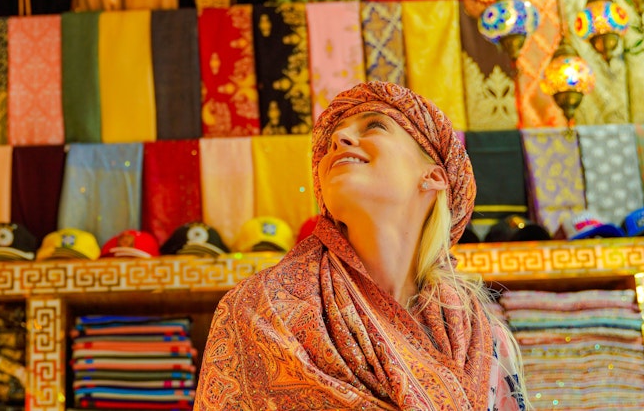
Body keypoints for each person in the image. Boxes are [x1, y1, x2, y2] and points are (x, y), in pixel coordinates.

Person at [194, 81, 527, 410]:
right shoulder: (257, 312)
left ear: (434, 176)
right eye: (330, 143)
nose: (338, 140)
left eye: (375, 126)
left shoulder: (482, 340)